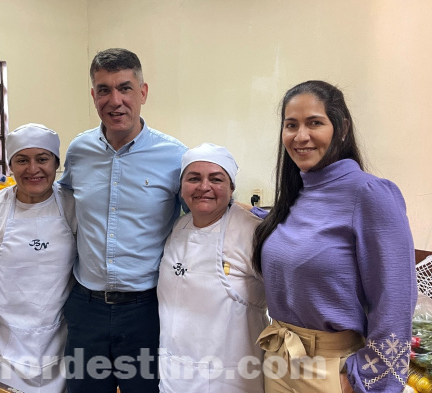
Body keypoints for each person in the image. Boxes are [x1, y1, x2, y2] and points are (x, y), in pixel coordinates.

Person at [252, 80, 417, 392]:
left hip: (333, 370)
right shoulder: (295, 195)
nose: (301, 136)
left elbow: (394, 304)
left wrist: (363, 379)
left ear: (341, 128)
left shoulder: (370, 195)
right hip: (277, 357)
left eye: (315, 123)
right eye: (291, 125)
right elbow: (295, 234)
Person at [59, 48, 187, 392]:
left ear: (143, 92)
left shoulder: (174, 156)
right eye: (104, 90)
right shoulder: (79, 150)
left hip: (145, 311)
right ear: (93, 95)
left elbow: (205, 213)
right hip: (87, 308)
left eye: (125, 88)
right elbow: (55, 195)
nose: (115, 100)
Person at [0, 123, 76, 393]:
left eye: (42, 159)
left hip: (62, 349)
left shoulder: (73, 206)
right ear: (10, 166)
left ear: (56, 163)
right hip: (4, 351)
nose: (33, 169)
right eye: (22, 160)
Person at [157, 143, 268, 392]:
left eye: (216, 179)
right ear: (181, 187)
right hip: (175, 374)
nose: (204, 187)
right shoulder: (178, 228)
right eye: (193, 178)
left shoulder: (254, 233)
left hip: (231, 377)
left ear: (231, 188)